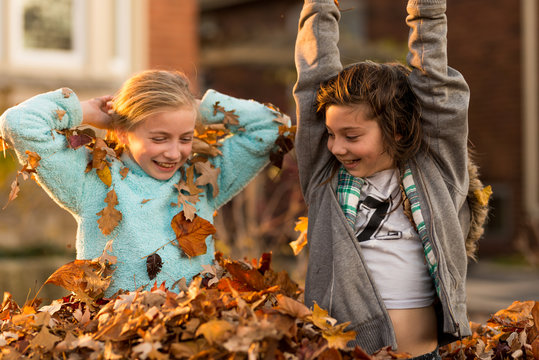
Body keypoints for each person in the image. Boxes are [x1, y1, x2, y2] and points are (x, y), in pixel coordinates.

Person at [1, 69, 287, 296]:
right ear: (123, 132)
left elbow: (275, 127)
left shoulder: (200, 178)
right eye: (159, 138)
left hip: (193, 336)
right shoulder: (92, 178)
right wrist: (87, 110)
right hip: (114, 339)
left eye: (185, 138)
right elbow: (18, 123)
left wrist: (197, 108)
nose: (174, 153)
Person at [294, 0, 475, 357]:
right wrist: (319, 7)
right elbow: (312, 79)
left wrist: (426, 10)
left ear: (395, 129)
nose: (336, 147)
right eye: (331, 134)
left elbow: (437, 87)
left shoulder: (437, 174)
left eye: (352, 135)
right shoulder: (325, 179)